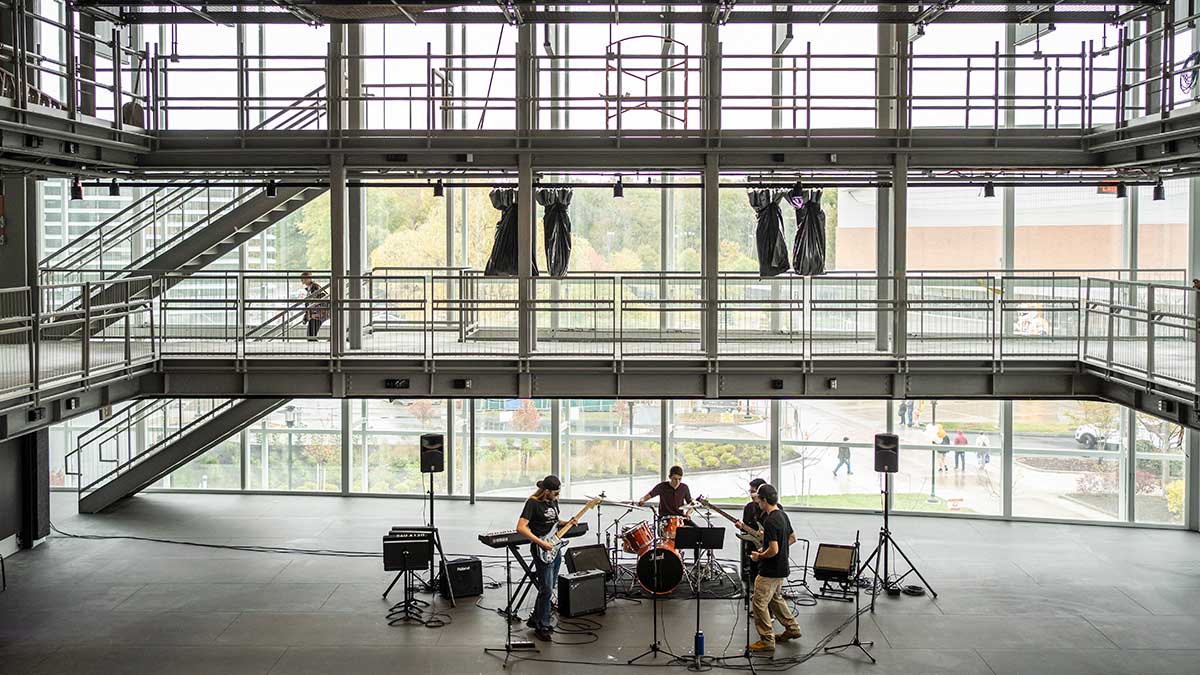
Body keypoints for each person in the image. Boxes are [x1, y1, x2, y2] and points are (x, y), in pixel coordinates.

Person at [747, 484, 802, 653]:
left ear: (764, 500)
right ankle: (792, 629)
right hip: (782, 568)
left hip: (769, 571)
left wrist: (759, 556)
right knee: (775, 599)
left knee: (759, 602)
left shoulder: (770, 520)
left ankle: (767, 640)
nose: (757, 503)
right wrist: (775, 541)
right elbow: (792, 538)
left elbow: (773, 550)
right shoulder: (782, 515)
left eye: (759, 499)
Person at [516, 474, 571, 641]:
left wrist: (565, 523)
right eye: (555, 493)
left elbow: (553, 520)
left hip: (554, 547)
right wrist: (540, 542)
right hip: (542, 549)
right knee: (546, 588)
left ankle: (536, 619)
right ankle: (543, 626)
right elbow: (521, 527)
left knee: (548, 587)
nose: (557, 496)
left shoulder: (553, 501)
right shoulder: (532, 503)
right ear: (546, 491)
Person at [734, 478, 766, 584]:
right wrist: (741, 527)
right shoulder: (748, 507)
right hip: (753, 547)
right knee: (754, 577)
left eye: (753, 492)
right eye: (750, 492)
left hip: (768, 548)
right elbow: (746, 528)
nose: (751, 495)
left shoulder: (773, 510)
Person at [300, 272, 329, 341]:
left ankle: (315, 348)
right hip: (316, 313)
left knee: (311, 334)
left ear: (309, 279)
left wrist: (311, 314)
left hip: (318, 313)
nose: (302, 280)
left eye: (303, 279)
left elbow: (317, 301)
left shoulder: (314, 287)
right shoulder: (311, 287)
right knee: (311, 334)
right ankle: (313, 347)